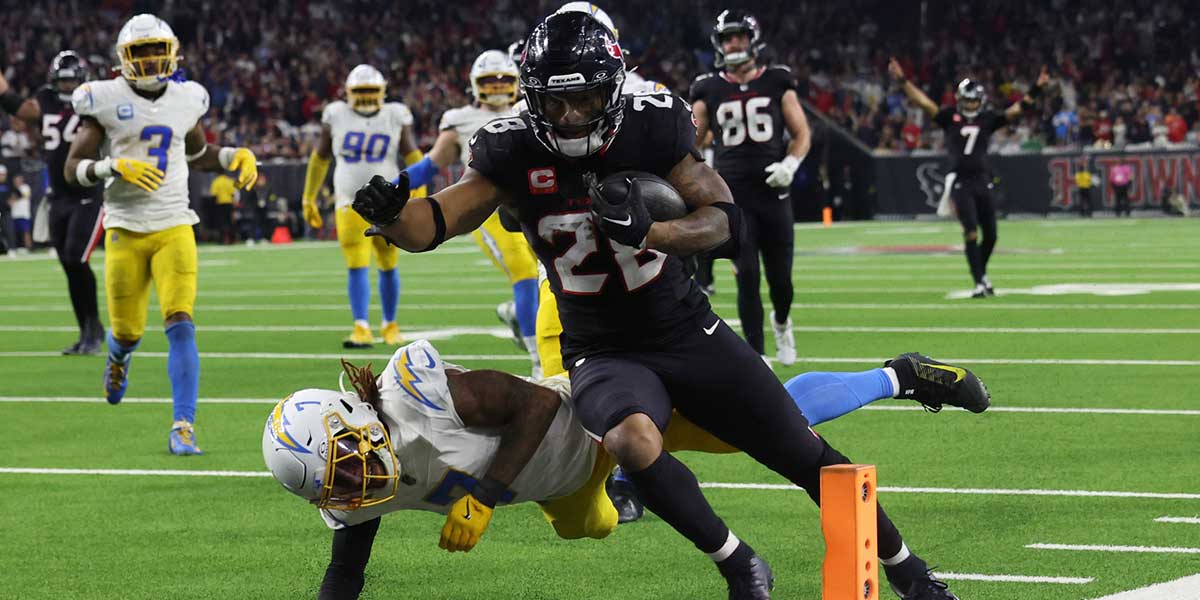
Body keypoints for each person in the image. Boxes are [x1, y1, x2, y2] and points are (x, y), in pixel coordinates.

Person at [353, 13, 965, 599]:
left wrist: (650, 233)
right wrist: (391, 216)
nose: (568, 117)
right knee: (630, 440)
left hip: (683, 326)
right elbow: (437, 219)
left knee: (801, 451)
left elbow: (725, 221)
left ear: (613, 91)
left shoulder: (652, 125)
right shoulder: (510, 148)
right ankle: (739, 564)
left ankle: (911, 574)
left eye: (584, 100)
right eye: (554, 102)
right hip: (602, 347)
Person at [263, 339, 989, 600]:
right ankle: (624, 484)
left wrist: (482, 497)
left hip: (589, 416)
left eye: (351, 465)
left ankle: (901, 375)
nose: (358, 486)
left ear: (355, 423)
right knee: (592, 530)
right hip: (560, 486)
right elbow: (344, 576)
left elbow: (535, 411)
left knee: (764, 426)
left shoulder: (417, 394)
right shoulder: (352, 498)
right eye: (340, 486)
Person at [63, 14, 258, 455]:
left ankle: (183, 426)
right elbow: (72, 168)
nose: (151, 60)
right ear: (124, 59)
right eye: (141, 52)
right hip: (126, 228)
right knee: (128, 332)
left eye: (157, 50)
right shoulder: (103, 100)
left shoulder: (186, 98)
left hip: (174, 224)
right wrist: (112, 165)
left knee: (181, 323)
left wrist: (233, 155)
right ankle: (118, 358)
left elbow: (200, 154)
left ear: (172, 54)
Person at [402, 49, 542, 376]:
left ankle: (515, 313)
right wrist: (396, 184)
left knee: (550, 274)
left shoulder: (530, 109)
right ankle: (539, 362)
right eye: (488, 81)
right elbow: (428, 165)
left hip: (531, 205)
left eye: (503, 80)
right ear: (475, 85)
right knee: (523, 272)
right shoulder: (459, 121)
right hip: (487, 210)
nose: (495, 86)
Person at [690, 10, 812, 366]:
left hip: (773, 192)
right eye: (727, 37)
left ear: (752, 38)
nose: (733, 43)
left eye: (739, 36)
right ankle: (757, 355)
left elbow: (802, 132)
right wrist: (700, 179)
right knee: (747, 277)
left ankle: (781, 321)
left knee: (781, 281)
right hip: (733, 196)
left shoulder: (776, 80)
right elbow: (690, 142)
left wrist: (790, 164)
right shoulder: (708, 87)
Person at [889, 58, 1050, 299]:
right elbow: (923, 102)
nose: (971, 104)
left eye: (974, 100)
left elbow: (1018, 109)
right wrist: (902, 80)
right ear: (960, 100)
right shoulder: (949, 117)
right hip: (960, 181)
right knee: (971, 232)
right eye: (968, 100)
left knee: (992, 235)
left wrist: (1037, 88)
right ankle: (978, 282)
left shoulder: (987, 119)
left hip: (981, 180)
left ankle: (982, 274)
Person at [301, 65, 427, 349]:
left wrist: (421, 190)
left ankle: (390, 324)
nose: (367, 97)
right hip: (348, 202)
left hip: (388, 202)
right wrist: (308, 196)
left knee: (388, 264)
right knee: (356, 265)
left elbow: (413, 155)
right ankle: (361, 326)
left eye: (371, 91)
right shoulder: (336, 115)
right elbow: (319, 158)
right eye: (361, 91)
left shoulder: (394, 115)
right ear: (348, 93)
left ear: (382, 91)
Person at [0, 51, 106, 352]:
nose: (67, 88)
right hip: (58, 195)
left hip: (87, 192)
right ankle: (87, 329)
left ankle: (94, 328)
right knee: (67, 263)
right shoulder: (45, 99)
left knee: (76, 257)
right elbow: (17, 105)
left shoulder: (95, 101)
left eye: (72, 82)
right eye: (62, 82)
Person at [209, 172, 237, 243]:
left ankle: (221, 239)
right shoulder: (229, 181)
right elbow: (233, 194)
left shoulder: (216, 181)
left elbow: (214, 194)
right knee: (230, 222)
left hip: (220, 204)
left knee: (221, 222)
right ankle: (232, 239)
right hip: (229, 203)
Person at [7, 172, 32, 253]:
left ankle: (29, 248)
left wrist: (13, 199)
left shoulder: (25, 187)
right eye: (16, 180)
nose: (17, 181)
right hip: (14, 214)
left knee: (26, 232)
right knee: (16, 232)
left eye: (19, 179)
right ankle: (20, 247)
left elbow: (26, 196)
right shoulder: (12, 188)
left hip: (24, 213)